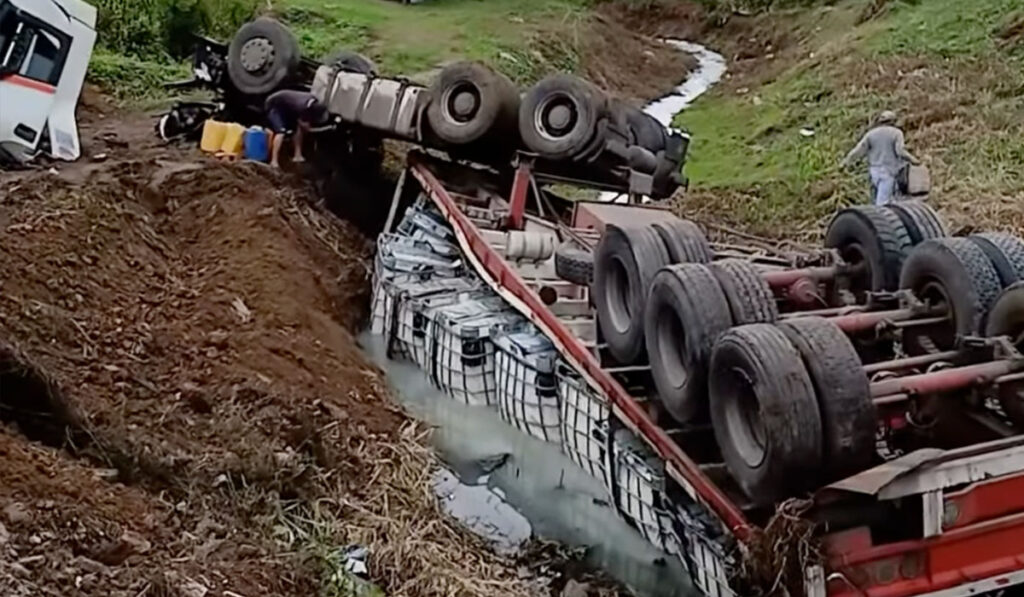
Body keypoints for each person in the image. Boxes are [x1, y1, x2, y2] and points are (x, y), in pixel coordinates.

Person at [841, 110, 920, 206]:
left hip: (874, 172)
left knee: (874, 201)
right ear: (893, 121)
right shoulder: (896, 133)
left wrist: (845, 162)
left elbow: (858, 151)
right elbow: (900, 151)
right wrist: (913, 160)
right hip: (888, 171)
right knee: (883, 204)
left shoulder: (871, 134)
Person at [264, 90, 329, 168]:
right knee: (281, 132)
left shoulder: (314, 101)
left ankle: (297, 155)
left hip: (288, 107)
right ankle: (274, 161)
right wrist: (311, 129)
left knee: (297, 129)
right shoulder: (302, 106)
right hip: (274, 106)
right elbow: (304, 125)